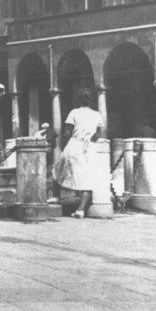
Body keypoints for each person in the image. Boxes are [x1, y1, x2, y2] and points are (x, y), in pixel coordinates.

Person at [53, 89, 104, 218]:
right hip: (89, 147)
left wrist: (66, 141)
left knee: (58, 168)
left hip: (75, 144)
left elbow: (66, 133)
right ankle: (81, 210)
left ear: (78, 100)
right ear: (90, 100)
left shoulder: (74, 112)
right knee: (88, 179)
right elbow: (98, 134)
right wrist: (91, 138)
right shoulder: (97, 114)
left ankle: (56, 196)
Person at [39, 122, 59, 201]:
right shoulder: (52, 133)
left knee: (43, 170)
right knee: (49, 170)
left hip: (41, 151)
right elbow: (54, 145)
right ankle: (49, 194)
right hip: (49, 150)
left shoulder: (38, 133)